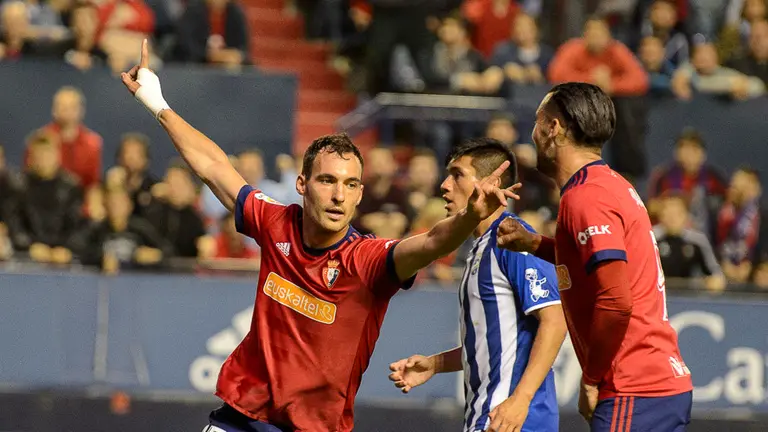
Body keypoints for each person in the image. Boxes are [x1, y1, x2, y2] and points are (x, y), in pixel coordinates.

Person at [120, 40, 520, 432]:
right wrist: (156, 102)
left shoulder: (369, 260)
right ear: (302, 184)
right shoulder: (275, 223)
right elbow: (213, 166)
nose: (338, 195)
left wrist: (470, 217)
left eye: (350, 184)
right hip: (242, 418)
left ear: (361, 193)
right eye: (327, 180)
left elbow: (433, 242)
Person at [495, 82, 693, 431]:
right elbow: (596, 262)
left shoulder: (586, 196)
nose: (532, 134)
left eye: (538, 121)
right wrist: (535, 244)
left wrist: (591, 377)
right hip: (659, 384)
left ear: (553, 128)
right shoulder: (610, 184)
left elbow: (616, 301)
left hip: (631, 385)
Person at [388, 139, 567, 432]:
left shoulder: (513, 238)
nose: (445, 185)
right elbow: (495, 343)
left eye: (457, 175)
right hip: (488, 417)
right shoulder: (479, 247)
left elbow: (555, 319)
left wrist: (519, 401)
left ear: (491, 183)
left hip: (515, 420)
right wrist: (434, 364)